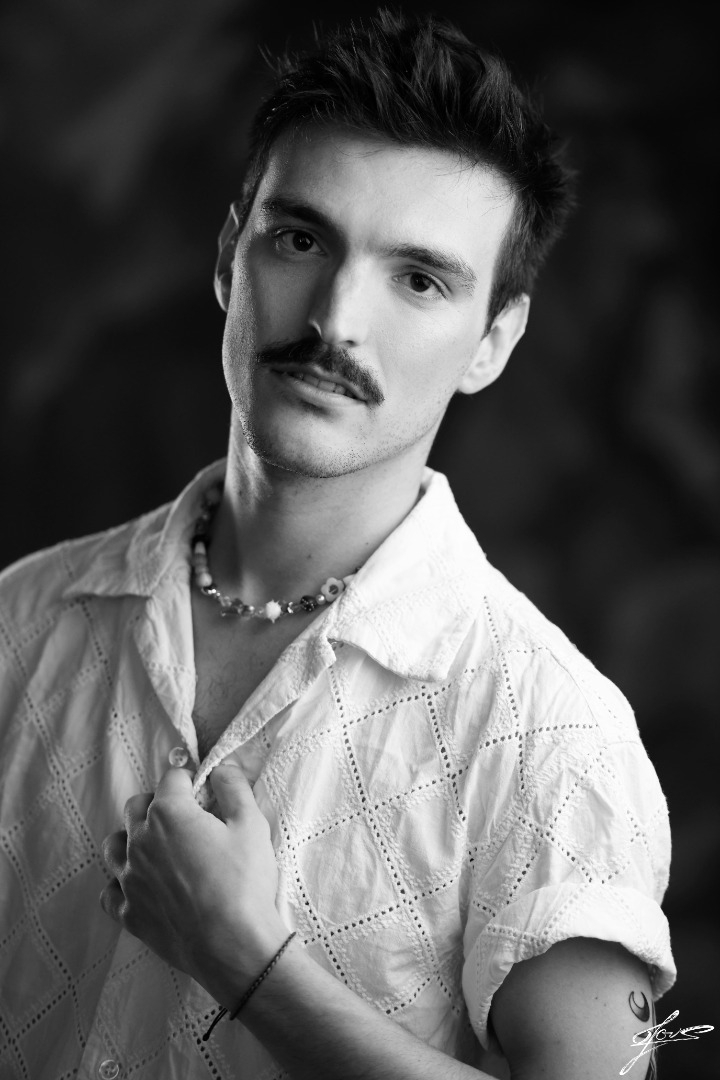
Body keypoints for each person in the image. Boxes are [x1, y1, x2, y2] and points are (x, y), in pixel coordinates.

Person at [0, 10, 675, 1079]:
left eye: (420, 279)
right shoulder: (20, 620)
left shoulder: (552, 730)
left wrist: (250, 965)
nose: (336, 319)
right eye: (302, 240)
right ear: (229, 255)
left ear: (493, 342)